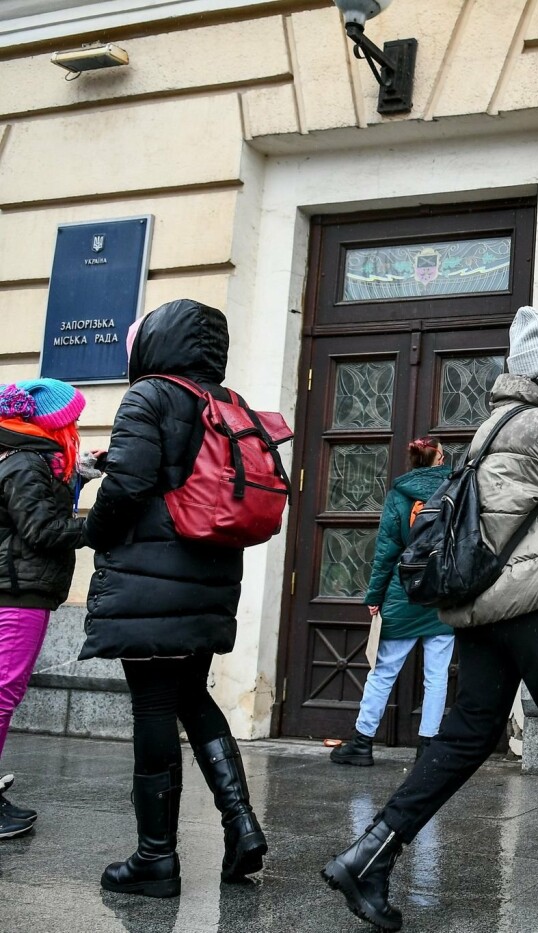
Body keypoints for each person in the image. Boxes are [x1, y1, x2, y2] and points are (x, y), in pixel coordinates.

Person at [323, 306, 538, 932]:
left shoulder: (493, 425)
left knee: (465, 737)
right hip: (535, 606)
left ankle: (370, 852)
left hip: (486, 608)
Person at [79, 299, 269, 897]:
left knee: (155, 709)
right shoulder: (226, 401)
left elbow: (133, 484)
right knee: (192, 693)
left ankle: (155, 858)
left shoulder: (150, 395)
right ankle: (241, 824)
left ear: (155, 342)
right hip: (208, 577)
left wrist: (94, 531)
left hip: (151, 581)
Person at [0, 379, 89, 848]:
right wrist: (97, 524)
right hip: (19, 594)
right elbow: (41, 528)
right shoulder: (27, 463)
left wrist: (82, 474)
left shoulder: (24, 459)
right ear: (52, 424)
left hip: (16, 589)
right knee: (2, 695)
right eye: (71, 419)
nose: (74, 427)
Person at [331, 436, 455, 767]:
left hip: (404, 591)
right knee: (437, 674)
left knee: (383, 671)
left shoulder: (399, 494)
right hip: (441, 592)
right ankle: (427, 747)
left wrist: (374, 596)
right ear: (439, 459)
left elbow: (386, 551)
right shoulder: (455, 489)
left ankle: (362, 743)